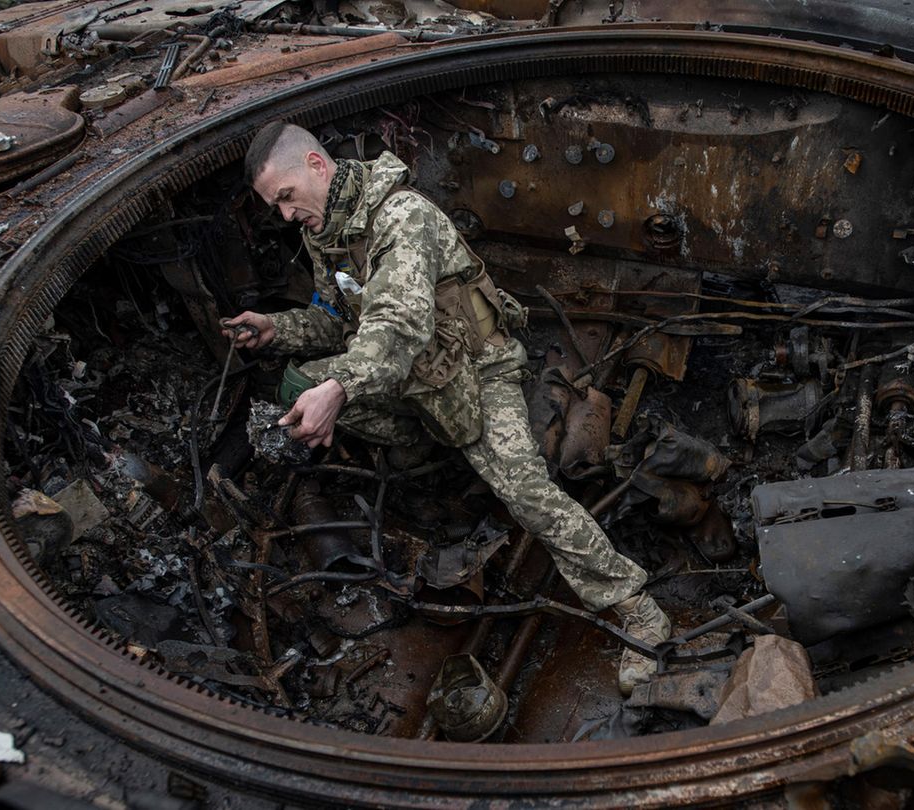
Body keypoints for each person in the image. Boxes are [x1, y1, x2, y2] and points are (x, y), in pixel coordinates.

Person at [222, 121, 672, 695]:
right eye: (273, 207)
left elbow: (398, 324)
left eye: (285, 198)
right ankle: (421, 444)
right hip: (413, 373)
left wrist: (338, 389)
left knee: (526, 492)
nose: (284, 216)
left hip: (479, 370)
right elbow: (339, 320)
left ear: (316, 166)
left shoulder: (401, 217)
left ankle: (639, 610)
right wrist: (275, 328)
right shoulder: (326, 232)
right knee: (295, 386)